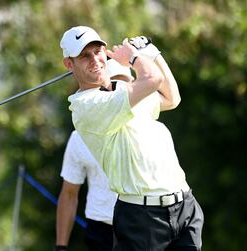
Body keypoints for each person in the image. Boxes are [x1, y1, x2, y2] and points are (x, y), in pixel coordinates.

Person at [59, 26, 204, 251]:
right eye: (84, 56)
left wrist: (152, 52)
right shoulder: (86, 107)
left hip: (184, 206)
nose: (95, 59)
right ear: (69, 64)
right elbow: (152, 79)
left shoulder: (122, 90)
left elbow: (171, 97)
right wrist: (135, 56)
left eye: (98, 51)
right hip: (142, 218)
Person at [55, 60, 134, 251]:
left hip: (139, 225)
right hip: (100, 229)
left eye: (125, 84)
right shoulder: (79, 137)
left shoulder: (145, 127)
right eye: (114, 84)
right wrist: (61, 246)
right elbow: (69, 194)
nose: (119, 90)